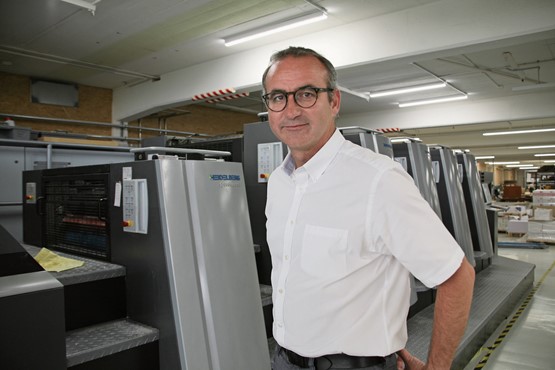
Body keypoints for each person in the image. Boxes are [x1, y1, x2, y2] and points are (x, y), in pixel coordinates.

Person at [262, 46, 475, 370]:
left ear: (333, 101)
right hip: (282, 360)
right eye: (278, 97)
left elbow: (457, 277)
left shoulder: (379, 180)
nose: (290, 110)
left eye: (306, 94)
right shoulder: (279, 182)